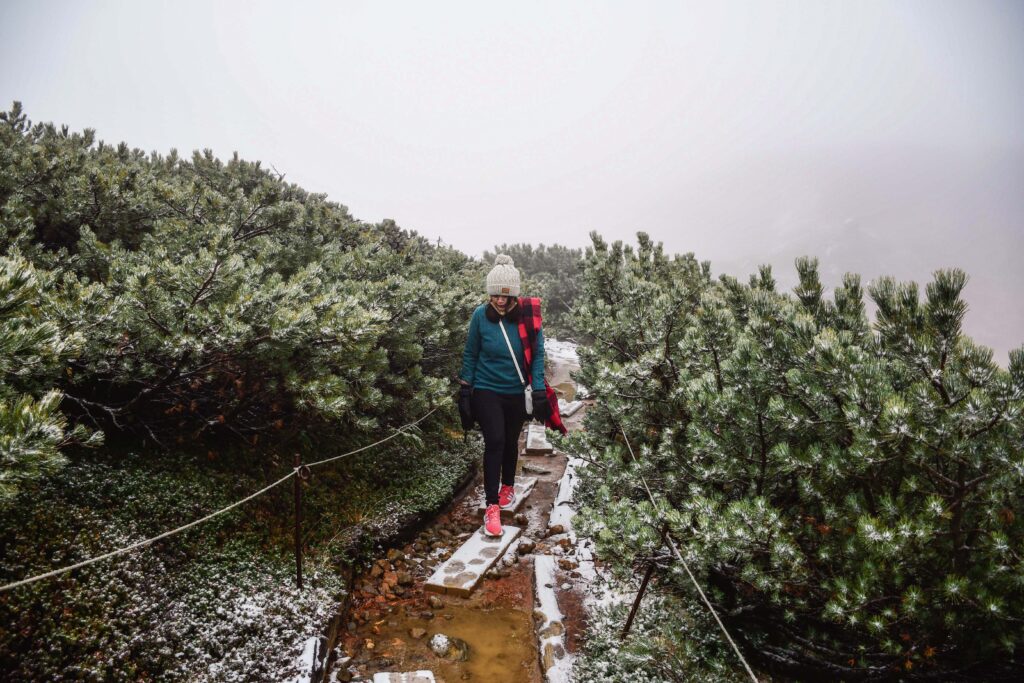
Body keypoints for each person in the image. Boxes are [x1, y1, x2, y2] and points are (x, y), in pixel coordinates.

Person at [458, 255, 552, 536]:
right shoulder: (479, 316)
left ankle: (508, 486)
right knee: (495, 440)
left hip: (516, 392)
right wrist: (465, 389)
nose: (500, 300)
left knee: (511, 440)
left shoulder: (528, 319)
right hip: (487, 389)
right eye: (496, 294)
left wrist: (537, 390)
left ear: (514, 294)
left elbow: (537, 355)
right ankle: (491, 507)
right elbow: (471, 353)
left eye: (505, 295)